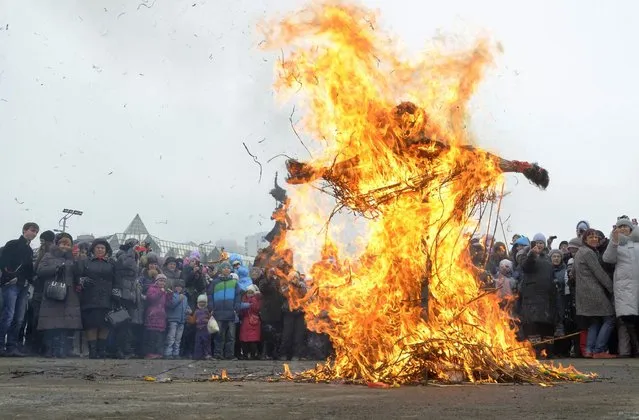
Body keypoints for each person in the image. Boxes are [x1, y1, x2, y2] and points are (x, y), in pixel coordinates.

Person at [36, 232, 82, 358]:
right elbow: (40, 271)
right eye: (63, 243)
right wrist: (56, 268)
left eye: (68, 244)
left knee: (65, 324)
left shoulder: (73, 258)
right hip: (53, 292)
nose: (65, 246)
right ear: (57, 243)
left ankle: (63, 349)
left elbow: (80, 273)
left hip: (70, 293)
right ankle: (49, 349)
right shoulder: (48, 255)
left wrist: (77, 260)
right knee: (51, 324)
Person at [574, 228, 616, 358]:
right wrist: (611, 288)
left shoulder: (579, 252)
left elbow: (573, 274)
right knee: (609, 318)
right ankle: (599, 350)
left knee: (594, 322)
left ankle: (589, 350)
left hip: (583, 293)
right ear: (585, 239)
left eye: (596, 237)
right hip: (593, 292)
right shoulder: (588, 253)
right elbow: (599, 273)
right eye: (591, 237)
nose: (595, 239)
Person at [0, 222, 39, 357]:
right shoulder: (12, 244)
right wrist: (9, 276)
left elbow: (28, 270)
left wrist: (32, 280)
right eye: (32, 230)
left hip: (23, 286)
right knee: (8, 316)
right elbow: (3, 262)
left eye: (36, 232)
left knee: (19, 318)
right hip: (11, 284)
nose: (34, 234)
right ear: (24, 230)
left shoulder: (29, 250)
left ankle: (11, 346)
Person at [603, 218, 639, 357]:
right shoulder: (615, 245)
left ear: (631, 228)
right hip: (625, 287)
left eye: (626, 226)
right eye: (620, 226)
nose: (623, 228)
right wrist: (614, 241)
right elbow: (607, 259)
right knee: (628, 319)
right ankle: (634, 349)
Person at [76, 238, 116, 359]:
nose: (100, 249)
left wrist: (116, 292)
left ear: (106, 250)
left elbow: (117, 279)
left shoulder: (111, 263)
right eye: (98, 247)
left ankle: (101, 350)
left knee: (105, 324)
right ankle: (93, 351)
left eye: (102, 248)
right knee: (91, 324)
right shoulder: (85, 261)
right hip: (90, 296)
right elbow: (77, 275)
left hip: (107, 296)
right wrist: (82, 281)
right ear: (93, 249)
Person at [518, 233, 556, 358]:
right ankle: (536, 352)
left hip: (547, 297)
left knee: (546, 325)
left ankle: (547, 352)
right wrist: (532, 254)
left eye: (541, 243)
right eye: (537, 242)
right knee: (533, 325)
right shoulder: (527, 255)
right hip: (532, 297)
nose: (539, 245)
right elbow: (526, 267)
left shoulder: (547, 258)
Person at [114, 238, 143, 359]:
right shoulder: (123, 256)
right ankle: (119, 349)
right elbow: (127, 265)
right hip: (123, 294)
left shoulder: (134, 258)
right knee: (122, 323)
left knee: (128, 324)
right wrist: (132, 251)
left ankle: (126, 348)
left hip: (131, 294)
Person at [209, 261, 243, 360]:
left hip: (231, 313)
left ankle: (229, 354)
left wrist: (236, 308)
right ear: (221, 269)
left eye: (228, 268)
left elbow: (238, 297)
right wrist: (211, 307)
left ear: (230, 270)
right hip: (218, 312)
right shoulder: (215, 282)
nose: (226, 269)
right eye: (224, 268)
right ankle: (218, 354)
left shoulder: (234, 283)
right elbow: (209, 295)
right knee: (219, 335)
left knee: (231, 336)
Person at [144, 274, 171, 359]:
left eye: (164, 281)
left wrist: (169, 295)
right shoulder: (152, 289)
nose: (162, 282)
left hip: (161, 316)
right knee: (152, 335)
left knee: (159, 336)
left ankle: (158, 353)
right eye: (160, 280)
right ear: (156, 281)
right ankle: (150, 352)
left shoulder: (164, 291)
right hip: (152, 315)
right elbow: (151, 298)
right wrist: (161, 292)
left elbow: (167, 304)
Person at [165, 279, 191, 359]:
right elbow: (171, 305)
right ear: (174, 287)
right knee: (171, 337)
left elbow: (186, 306)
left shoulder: (185, 297)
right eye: (177, 286)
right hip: (173, 319)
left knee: (178, 339)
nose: (179, 288)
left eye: (181, 287)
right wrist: (179, 299)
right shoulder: (172, 295)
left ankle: (176, 353)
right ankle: (168, 353)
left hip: (182, 320)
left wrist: (189, 310)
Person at [239, 284, 262, 359]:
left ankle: (248, 355)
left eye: (251, 292)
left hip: (248, 321)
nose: (249, 294)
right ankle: (250, 355)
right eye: (248, 292)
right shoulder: (256, 299)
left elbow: (255, 309)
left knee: (247, 340)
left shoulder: (246, 300)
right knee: (251, 340)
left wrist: (248, 305)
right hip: (252, 321)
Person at [193, 294, 212, 360]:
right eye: (200, 302)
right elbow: (193, 319)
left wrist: (207, 320)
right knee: (198, 342)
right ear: (198, 303)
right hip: (198, 329)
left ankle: (207, 354)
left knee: (206, 342)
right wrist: (195, 321)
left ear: (206, 303)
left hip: (205, 328)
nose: (202, 303)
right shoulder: (196, 311)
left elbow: (210, 319)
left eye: (203, 302)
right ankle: (198, 355)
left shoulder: (207, 310)